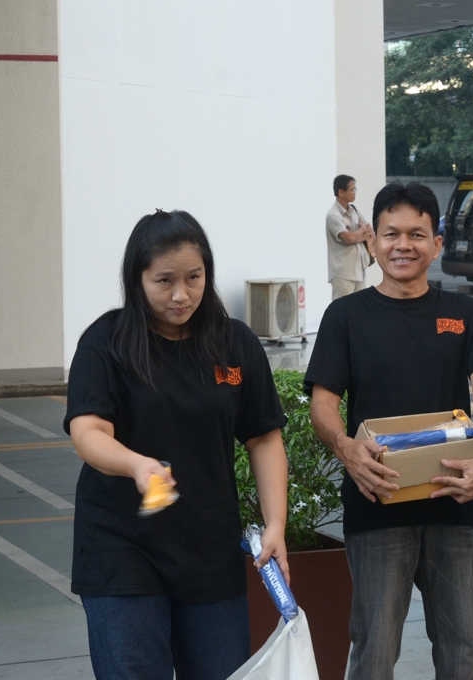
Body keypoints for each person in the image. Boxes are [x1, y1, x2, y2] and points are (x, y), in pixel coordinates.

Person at [64, 210, 289, 680]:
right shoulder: (106, 343)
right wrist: (135, 465)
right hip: (122, 549)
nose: (181, 294)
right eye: (164, 281)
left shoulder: (235, 343)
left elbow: (264, 438)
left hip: (211, 551)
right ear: (137, 279)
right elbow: (88, 432)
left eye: (194, 278)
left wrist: (275, 525)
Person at [305, 181, 473, 680]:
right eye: (391, 233)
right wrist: (346, 448)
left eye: (417, 234)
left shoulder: (467, 314)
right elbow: (323, 404)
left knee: (463, 647)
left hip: (452, 500)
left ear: (436, 244)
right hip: (377, 502)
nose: (403, 245)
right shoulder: (345, 316)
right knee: (374, 649)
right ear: (373, 241)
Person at [327, 174, 373, 300]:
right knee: (342, 308)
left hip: (359, 269)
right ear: (341, 192)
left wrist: (356, 235)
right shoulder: (333, 216)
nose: (354, 193)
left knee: (360, 307)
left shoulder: (354, 210)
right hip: (343, 273)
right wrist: (361, 230)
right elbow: (350, 238)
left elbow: (370, 232)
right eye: (352, 190)